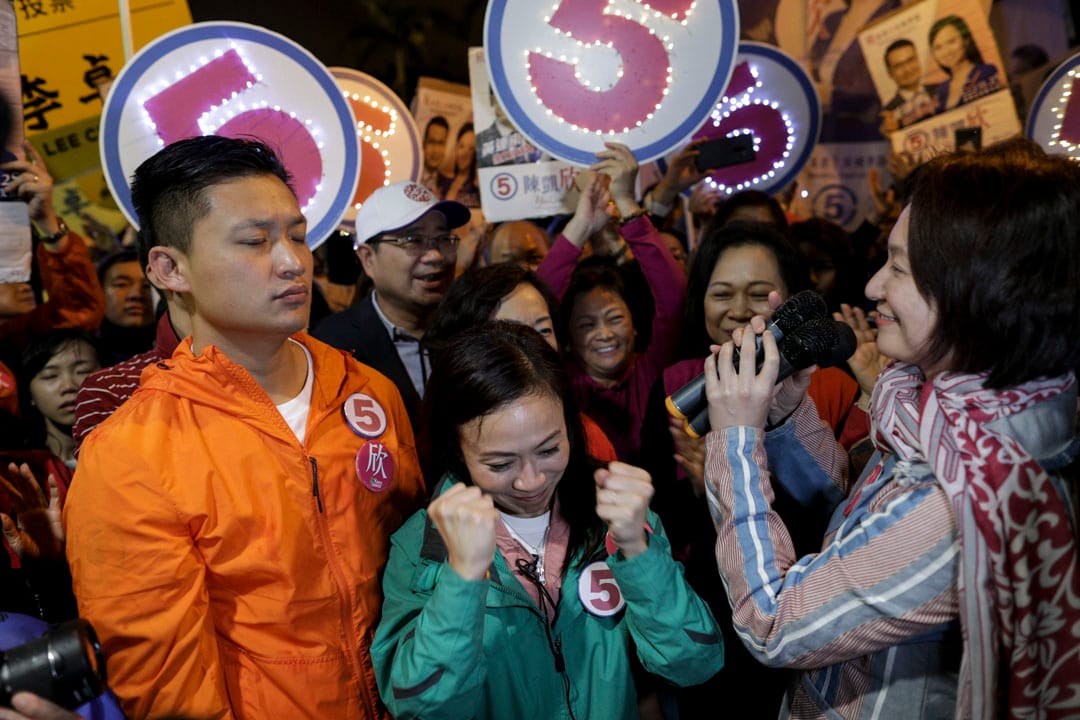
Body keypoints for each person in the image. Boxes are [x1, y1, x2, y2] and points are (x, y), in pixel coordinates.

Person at [702, 140, 1080, 718]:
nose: (874, 286)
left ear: (978, 291)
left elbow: (774, 620)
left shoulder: (962, 501)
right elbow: (859, 533)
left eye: (899, 268)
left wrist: (734, 441)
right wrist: (783, 416)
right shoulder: (943, 417)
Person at [63, 136, 427, 720]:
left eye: (298, 236)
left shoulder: (367, 392)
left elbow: (418, 572)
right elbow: (168, 686)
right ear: (169, 268)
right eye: (255, 242)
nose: (291, 262)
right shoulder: (130, 455)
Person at [370, 322, 724, 718]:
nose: (531, 480)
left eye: (549, 448)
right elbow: (421, 708)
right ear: (457, 450)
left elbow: (695, 662)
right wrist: (462, 578)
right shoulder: (424, 546)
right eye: (500, 463)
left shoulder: (614, 509)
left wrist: (639, 553)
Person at [640, 220, 856, 719]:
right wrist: (700, 490)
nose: (738, 310)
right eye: (722, 293)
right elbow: (658, 514)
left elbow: (843, 509)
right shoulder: (678, 388)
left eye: (759, 293)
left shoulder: (822, 387)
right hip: (710, 612)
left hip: (804, 611)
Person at [538, 143, 685, 462]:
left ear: (635, 327)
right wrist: (579, 227)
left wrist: (627, 204)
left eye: (615, 318)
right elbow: (533, 309)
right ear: (570, 340)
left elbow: (674, 301)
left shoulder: (651, 371)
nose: (604, 333)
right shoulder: (559, 382)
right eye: (586, 325)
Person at [423, 262, 617, 464]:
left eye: (543, 330)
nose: (534, 346)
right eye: (511, 332)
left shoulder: (590, 438)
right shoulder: (443, 446)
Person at [312, 180, 470, 426]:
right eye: (413, 240)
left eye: (442, 239)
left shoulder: (473, 329)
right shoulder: (332, 347)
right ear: (368, 259)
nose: (436, 255)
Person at [92, 249, 155, 365]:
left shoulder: (179, 350)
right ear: (99, 292)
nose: (136, 295)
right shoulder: (86, 355)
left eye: (147, 286)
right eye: (121, 284)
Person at [930, 15, 1002, 112]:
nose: (946, 51)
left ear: (966, 40)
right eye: (938, 47)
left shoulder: (985, 72)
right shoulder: (940, 90)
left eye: (951, 42)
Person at [879, 38, 938, 133]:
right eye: (899, 66)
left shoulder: (942, 89)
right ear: (890, 73)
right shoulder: (888, 115)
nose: (907, 69)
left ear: (918, 60)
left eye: (910, 60)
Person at [439, 122, 480, 208]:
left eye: (471, 149)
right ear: (456, 147)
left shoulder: (476, 188)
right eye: (461, 146)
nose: (464, 154)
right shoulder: (444, 183)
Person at [419, 115, 450, 193]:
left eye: (441, 143)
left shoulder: (448, 185)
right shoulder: (411, 176)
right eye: (432, 142)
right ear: (424, 144)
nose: (435, 150)